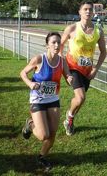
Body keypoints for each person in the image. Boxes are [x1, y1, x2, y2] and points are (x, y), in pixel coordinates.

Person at [20, 32, 73, 171]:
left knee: (53, 133)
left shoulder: (62, 61)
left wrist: (69, 78)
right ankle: (30, 124)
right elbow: (23, 73)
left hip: (53, 98)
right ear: (47, 45)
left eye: (58, 43)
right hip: (37, 98)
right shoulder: (39, 59)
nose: (56, 45)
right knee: (43, 134)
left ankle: (42, 157)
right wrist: (30, 84)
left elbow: (67, 74)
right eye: (53, 42)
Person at [60, 1, 107, 136]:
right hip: (72, 67)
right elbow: (60, 49)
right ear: (79, 12)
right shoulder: (72, 29)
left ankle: (69, 118)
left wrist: (95, 69)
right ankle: (69, 118)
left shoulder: (98, 31)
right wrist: (66, 70)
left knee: (81, 99)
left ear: (93, 13)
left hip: (87, 69)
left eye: (90, 10)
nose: (88, 11)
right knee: (80, 98)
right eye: (85, 9)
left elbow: (103, 52)